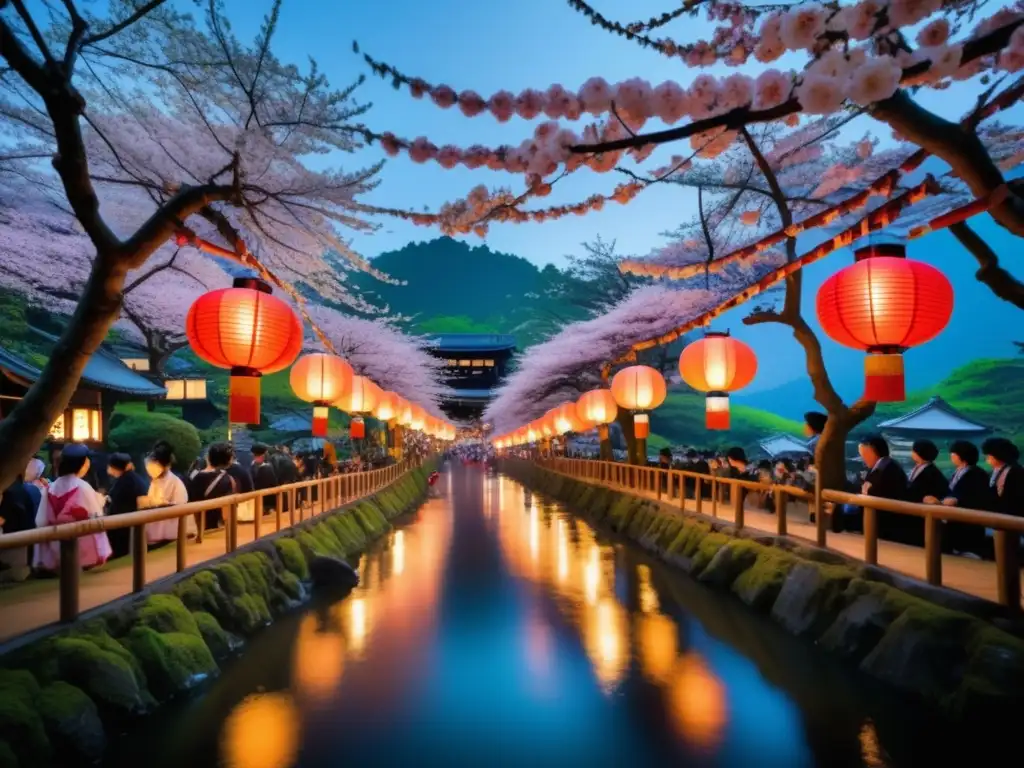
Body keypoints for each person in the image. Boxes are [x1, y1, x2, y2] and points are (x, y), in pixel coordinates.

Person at [32, 444, 112, 572]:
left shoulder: (51, 487)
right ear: (83, 464)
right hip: (79, 543)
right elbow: (95, 513)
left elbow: (41, 520)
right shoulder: (82, 487)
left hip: (55, 540)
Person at [925, 440, 991, 558]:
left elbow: (976, 496)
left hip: (968, 522)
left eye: (954, 454)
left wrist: (956, 500)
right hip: (954, 519)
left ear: (962, 456)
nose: (951, 456)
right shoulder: (957, 471)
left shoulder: (977, 474)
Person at [142, 441, 194, 546]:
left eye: (152, 465)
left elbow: (180, 507)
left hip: (170, 535)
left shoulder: (176, 483)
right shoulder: (155, 481)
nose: (149, 469)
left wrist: (160, 503)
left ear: (164, 465)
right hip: (153, 534)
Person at [855, 434, 907, 538]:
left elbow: (886, 493)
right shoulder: (878, 467)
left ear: (874, 452)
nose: (863, 459)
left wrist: (867, 490)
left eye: (864, 454)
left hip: (886, 520)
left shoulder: (890, 469)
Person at [104, 453, 149, 558]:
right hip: (129, 522)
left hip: (123, 524)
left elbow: (115, 498)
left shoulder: (125, 481)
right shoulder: (132, 478)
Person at [189, 442, 238, 531]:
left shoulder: (196, 477)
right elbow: (228, 510)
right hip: (220, 528)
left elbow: (193, 504)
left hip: (201, 526)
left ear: (209, 457)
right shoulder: (228, 479)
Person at [982, 437, 1023, 519]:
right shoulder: (994, 471)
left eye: (989, 456)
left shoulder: (1016, 472)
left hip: (1012, 518)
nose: (987, 460)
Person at [250, 443, 279, 514]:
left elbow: (259, 486)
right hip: (265, 502)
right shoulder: (256, 466)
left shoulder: (265, 468)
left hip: (265, 503)